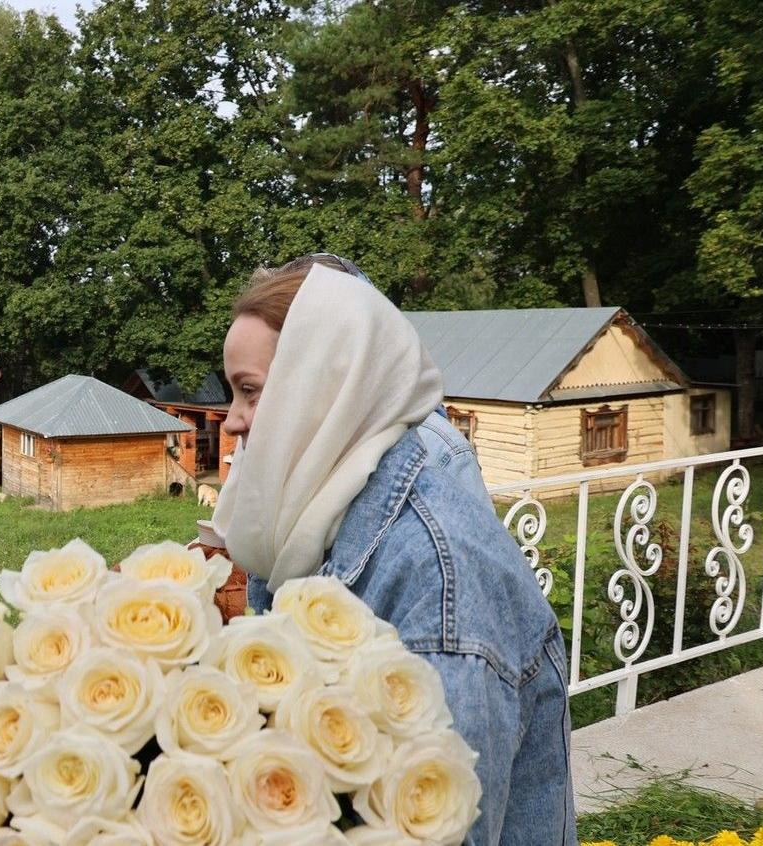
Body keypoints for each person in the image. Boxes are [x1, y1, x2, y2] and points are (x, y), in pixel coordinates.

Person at [214, 254, 576, 844]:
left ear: (321, 390)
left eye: (249, 392)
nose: (231, 421)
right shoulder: (318, 516)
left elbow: (446, 826)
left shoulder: (437, 575)